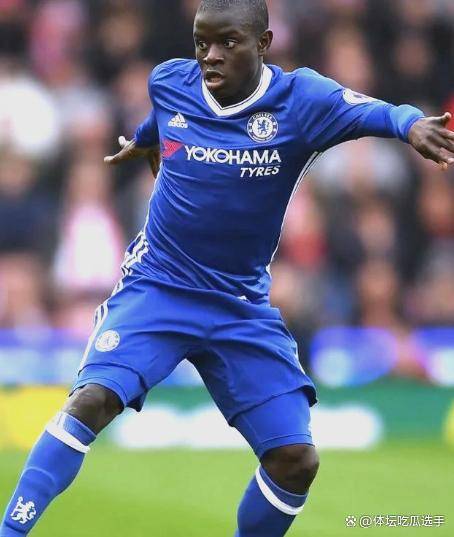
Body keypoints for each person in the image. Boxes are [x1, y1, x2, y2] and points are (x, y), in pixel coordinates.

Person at [2, 1, 454, 536]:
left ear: (263, 44)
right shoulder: (170, 82)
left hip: (239, 304)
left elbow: (373, 111)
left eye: (227, 43)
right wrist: (144, 141)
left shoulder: (301, 100)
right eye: (202, 43)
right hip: (159, 287)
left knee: (295, 460)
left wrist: (412, 126)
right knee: (91, 399)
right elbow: (162, 116)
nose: (210, 56)